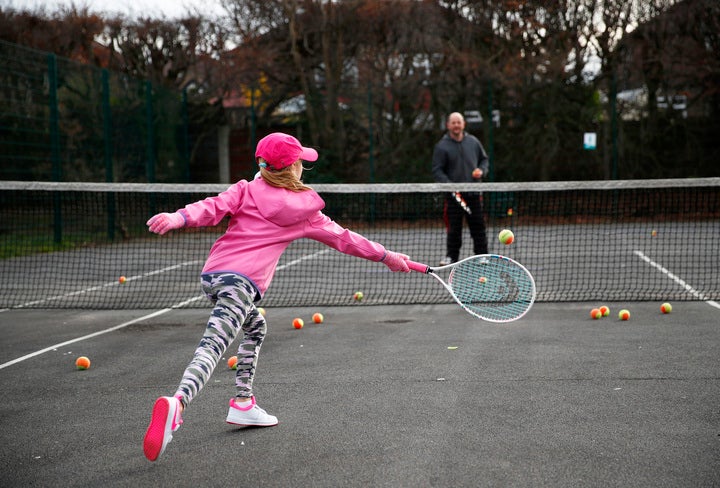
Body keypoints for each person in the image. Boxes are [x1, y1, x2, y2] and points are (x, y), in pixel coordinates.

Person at [142, 132, 411, 462]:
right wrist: (385, 256)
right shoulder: (304, 211)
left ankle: (243, 403)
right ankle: (178, 403)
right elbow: (345, 239)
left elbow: (210, 207)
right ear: (293, 167)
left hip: (213, 277)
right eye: (301, 162)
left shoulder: (245, 189)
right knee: (212, 347)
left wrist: (177, 217)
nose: (303, 167)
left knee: (255, 327)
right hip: (240, 285)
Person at [431, 112, 490, 265]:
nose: (456, 125)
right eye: (453, 122)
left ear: (463, 124)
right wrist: (450, 185)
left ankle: (482, 255)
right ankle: (451, 257)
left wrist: (482, 171)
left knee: (478, 226)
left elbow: (484, 160)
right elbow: (437, 170)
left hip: (474, 193)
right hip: (454, 196)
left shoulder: (473, 142)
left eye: (459, 122)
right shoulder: (441, 146)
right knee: (454, 229)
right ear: (448, 125)